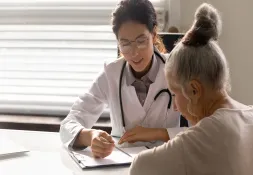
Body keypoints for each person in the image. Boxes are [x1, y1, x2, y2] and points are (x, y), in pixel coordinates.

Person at [129, 3, 253, 175]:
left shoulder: (201, 138)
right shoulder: (249, 115)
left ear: (194, 90)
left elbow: (139, 167)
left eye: (174, 93)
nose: (175, 106)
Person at [60, 0, 185, 159]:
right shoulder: (110, 73)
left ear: (153, 35)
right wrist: (91, 136)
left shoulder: (177, 70)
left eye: (141, 41)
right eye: (125, 44)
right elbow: (68, 125)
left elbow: (204, 131)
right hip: (123, 166)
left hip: (167, 162)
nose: (134, 53)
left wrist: (157, 133)